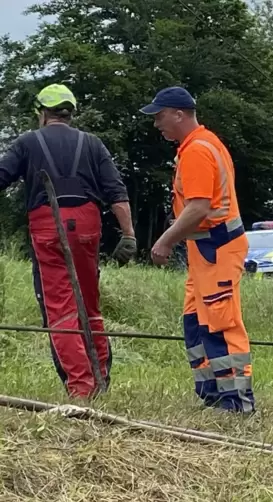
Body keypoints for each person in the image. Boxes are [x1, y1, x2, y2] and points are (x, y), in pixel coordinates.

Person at [0, 83, 137, 399]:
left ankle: (81, 388)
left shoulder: (27, 143)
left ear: (42, 113)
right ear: (70, 113)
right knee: (89, 305)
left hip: (48, 225)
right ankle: (100, 378)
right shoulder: (93, 144)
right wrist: (128, 235)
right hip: (88, 226)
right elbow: (117, 193)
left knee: (61, 309)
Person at [140, 85, 254, 413]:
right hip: (206, 250)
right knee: (195, 321)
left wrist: (164, 240)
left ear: (179, 114)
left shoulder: (197, 151)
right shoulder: (199, 145)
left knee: (220, 323)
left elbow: (198, 208)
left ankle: (236, 402)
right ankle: (211, 393)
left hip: (217, 248)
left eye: (159, 116)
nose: (156, 123)